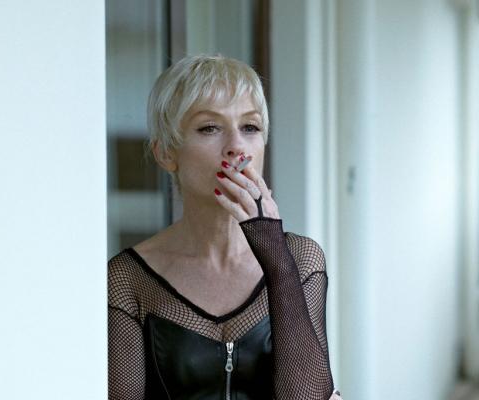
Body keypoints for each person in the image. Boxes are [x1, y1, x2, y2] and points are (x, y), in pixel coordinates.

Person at [108, 55, 342, 400]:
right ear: (166, 153)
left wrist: (276, 259)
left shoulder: (300, 258)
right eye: (209, 128)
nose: (237, 146)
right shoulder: (127, 278)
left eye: (250, 127)